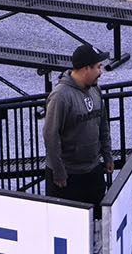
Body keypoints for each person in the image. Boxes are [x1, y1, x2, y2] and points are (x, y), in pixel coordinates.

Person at [42, 45, 108, 202]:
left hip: (93, 171)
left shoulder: (95, 89)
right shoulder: (60, 96)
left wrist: (107, 155)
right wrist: (59, 171)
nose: (101, 72)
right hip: (67, 177)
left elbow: (103, 124)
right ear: (86, 68)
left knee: (98, 220)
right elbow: (51, 135)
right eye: (98, 67)